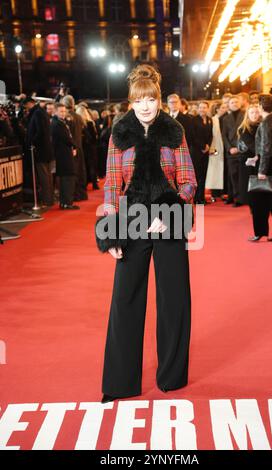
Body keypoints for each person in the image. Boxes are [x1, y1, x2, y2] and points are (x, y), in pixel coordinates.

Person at [95, 64, 197, 403]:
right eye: (139, 100)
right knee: (125, 300)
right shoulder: (119, 134)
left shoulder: (174, 131)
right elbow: (112, 185)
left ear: (159, 100)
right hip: (133, 221)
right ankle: (120, 382)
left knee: (174, 300)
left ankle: (172, 377)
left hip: (168, 222)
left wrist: (170, 215)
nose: (146, 106)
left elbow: (188, 182)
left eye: (151, 99)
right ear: (131, 101)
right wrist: (110, 233)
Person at [248, 94, 272, 242]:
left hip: (268, 164)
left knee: (259, 200)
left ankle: (260, 232)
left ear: (260, 106)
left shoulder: (265, 123)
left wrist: (262, 170)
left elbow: (265, 148)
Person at [24, 97, 54, 207]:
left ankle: (47, 200)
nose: (26, 108)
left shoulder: (37, 113)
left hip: (41, 150)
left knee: (44, 176)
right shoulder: (40, 112)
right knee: (47, 176)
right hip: (45, 149)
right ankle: (48, 199)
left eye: (26, 105)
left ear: (30, 103)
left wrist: (32, 142)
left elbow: (40, 131)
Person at [50, 103, 80, 210]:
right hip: (64, 155)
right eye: (61, 111)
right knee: (68, 178)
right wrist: (74, 146)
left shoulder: (59, 122)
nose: (63, 113)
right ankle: (67, 203)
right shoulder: (57, 124)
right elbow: (67, 138)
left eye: (64, 111)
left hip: (63, 154)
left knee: (65, 179)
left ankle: (64, 203)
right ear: (55, 112)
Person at [61, 95, 88, 201]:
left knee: (73, 172)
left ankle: (75, 195)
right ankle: (81, 194)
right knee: (81, 170)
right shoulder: (78, 116)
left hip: (72, 148)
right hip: (79, 147)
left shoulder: (67, 117)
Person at [222, 95, 245, 206]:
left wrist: (239, 147)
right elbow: (224, 136)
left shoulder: (245, 115)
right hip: (230, 151)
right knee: (232, 175)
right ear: (229, 105)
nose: (234, 104)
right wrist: (229, 148)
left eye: (236, 102)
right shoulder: (226, 118)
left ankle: (240, 198)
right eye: (232, 103)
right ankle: (231, 196)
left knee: (240, 176)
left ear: (240, 103)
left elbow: (247, 133)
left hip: (242, 150)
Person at [237, 104, 261, 205]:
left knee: (260, 186)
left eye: (256, 112)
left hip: (260, 158)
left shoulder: (263, 125)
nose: (254, 115)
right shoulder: (243, 129)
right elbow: (252, 145)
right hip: (248, 160)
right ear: (247, 114)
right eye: (252, 112)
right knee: (250, 185)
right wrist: (260, 153)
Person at [192, 101, 213, 204]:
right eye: (201, 107)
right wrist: (202, 146)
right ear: (198, 108)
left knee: (204, 175)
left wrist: (208, 145)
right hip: (196, 151)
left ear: (207, 109)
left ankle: (202, 197)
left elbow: (210, 135)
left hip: (205, 152)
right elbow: (193, 136)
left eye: (205, 107)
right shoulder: (194, 120)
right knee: (197, 175)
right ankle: (196, 198)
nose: (202, 109)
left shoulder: (209, 120)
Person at [205, 101, 227, 201]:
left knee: (223, 170)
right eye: (223, 107)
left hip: (224, 148)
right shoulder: (213, 120)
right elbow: (211, 135)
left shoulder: (225, 119)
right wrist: (212, 148)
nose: (225, 109)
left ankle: (222, 192)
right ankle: (214, 193)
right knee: (214, 170)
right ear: (217, 109)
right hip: (215, 148)